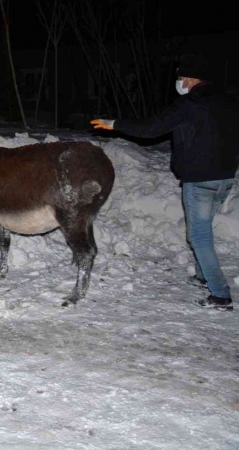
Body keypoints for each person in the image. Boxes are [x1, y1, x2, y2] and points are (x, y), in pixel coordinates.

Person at [91, 54, 239, 311]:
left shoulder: (190, 104)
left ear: (192, 79)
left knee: (199, 235)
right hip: (224, 178)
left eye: (181, 78)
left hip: (200, 179)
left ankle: (220, 295)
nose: (179, 82)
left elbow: (150, 128)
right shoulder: (229, 102)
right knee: (203, 230)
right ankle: (205, 277)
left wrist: (115, 123)